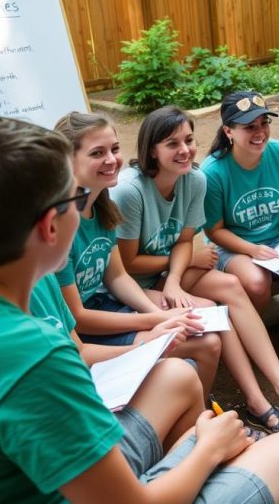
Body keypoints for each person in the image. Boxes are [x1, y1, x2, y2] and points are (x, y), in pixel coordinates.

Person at [0, 115, 279, 503]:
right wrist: (207, 451)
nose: (85, 209)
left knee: (179, 378)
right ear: (50, 225)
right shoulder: (31, 357)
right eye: (76, 199)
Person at [109, 107, 279, 433]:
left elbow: (184, 241)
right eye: (172, 144)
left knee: (230, 287)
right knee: (211, 308)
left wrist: (176, 277)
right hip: (135, 286)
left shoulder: (193, 179)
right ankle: (257, 403)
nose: (185, 150)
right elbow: (128, 264)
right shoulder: (130, 191)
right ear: (152, 150)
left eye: (189, 140)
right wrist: (184, 264)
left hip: (170, 274)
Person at [53, 111, 222, 394]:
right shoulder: (59, 226)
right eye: (97, 153)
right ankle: (189, 417)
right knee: (205, 344)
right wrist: (155, 319)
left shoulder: (102, 207)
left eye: (114, 149)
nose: (111, 159)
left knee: (203, 332)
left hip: (103, 307)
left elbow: (118, 277)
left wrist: (158, 314)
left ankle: (194, 414)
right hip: (81, 331)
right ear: (67, 160)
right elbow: (77, 317)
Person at [201, 91, 279, 367]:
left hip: (278, 236)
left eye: (264, 123)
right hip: (235, 244)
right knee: (257, 283)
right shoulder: (213, 172)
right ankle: (250, 337)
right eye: (249, 127)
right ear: (228, 131)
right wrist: (251, 249)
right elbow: (214, 231)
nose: (259, 133)